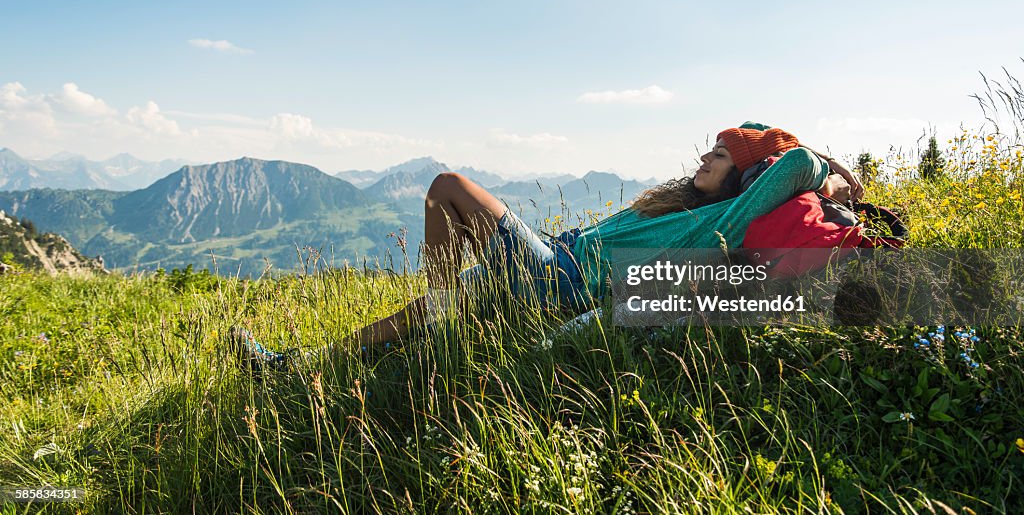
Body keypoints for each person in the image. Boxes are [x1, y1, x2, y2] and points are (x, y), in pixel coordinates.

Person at [229, 122, 862, 369]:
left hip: (561, 280)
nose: (703, 155)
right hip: (553, 258)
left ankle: (442, 308)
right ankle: (295, 364)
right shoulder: (681, 204)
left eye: (719, 153)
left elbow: (801, 161)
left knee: (448, 187)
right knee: (406, 324)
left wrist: (837, 177)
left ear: (748, 173)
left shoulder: (724, 221)